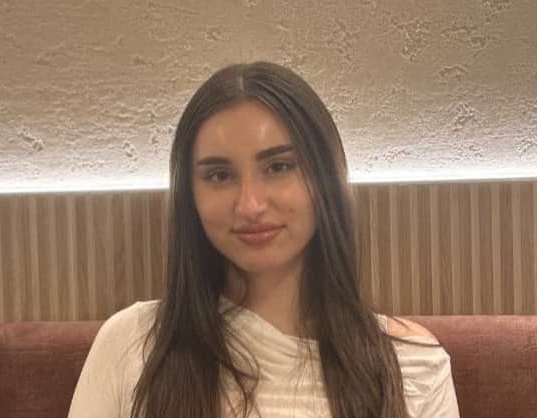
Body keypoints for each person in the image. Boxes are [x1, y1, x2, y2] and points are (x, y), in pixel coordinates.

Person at [68, 61, 460, 418]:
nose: (250, 205)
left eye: (278, 167)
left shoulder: (411, 365)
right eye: (219, 175)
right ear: (191, 196)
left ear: (324, 177)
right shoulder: (131, 345)